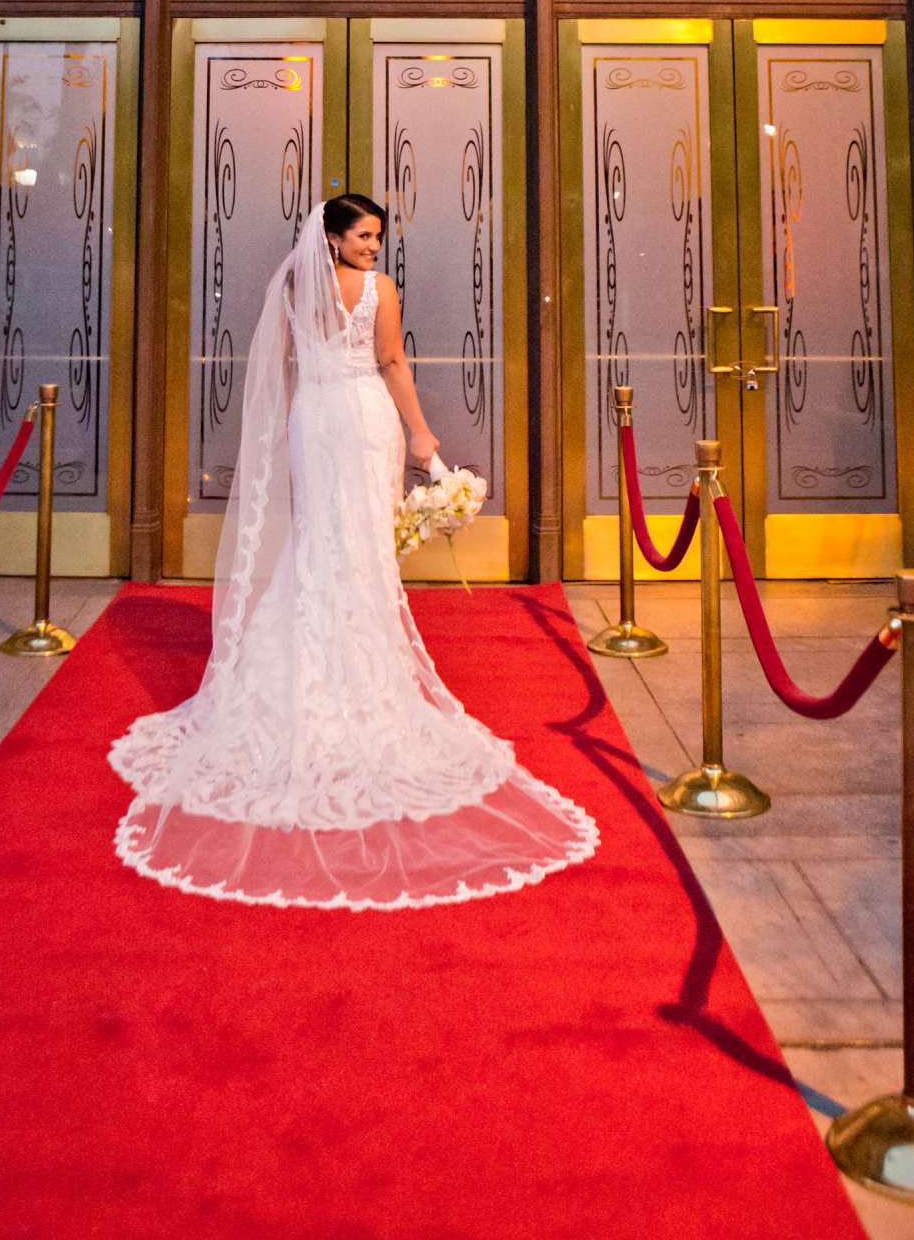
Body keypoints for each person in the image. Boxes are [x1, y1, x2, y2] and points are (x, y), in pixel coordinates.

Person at [109, 193, 598, 910]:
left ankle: (315, 665)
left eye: (378, 237)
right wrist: (423, 436)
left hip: (316, 419)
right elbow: (392, 359)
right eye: (364, 235)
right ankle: (351, 676)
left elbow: (281, 368)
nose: (374, 246)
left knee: (323, 542)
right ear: (333, 237)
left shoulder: (295, 287)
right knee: (355, 546)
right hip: (364, 418)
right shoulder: (378, 291)